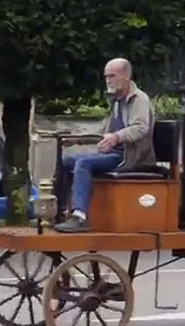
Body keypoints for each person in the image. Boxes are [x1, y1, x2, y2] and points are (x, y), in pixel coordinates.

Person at [54, 58, 156, 232]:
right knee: (66, 161)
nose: (108, 80)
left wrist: (116, 137)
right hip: (113, 155)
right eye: (106, 76)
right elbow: (102, 132)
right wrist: (76, 139)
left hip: (130, 157)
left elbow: (141, 128)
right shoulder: (116, 101)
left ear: (125, 76)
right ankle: (59, 211)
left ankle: (80, 217)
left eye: (112, 76)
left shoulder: (139, 99)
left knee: (83, 164)